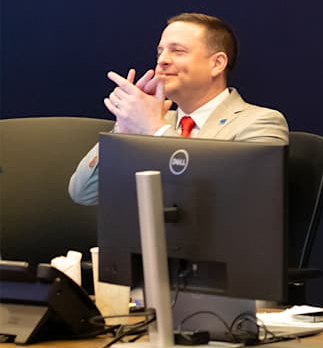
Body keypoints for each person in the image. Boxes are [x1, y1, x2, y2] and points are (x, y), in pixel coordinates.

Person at [68, 12, 289, 205]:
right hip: (147, 249)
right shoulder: (154, 123)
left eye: (178, 51)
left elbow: (243, 197)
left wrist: (156, 130)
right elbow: (83, 193)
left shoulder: (260, 122)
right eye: (160, 52)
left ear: (217, 63)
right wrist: (124, 130)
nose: (162, 60)